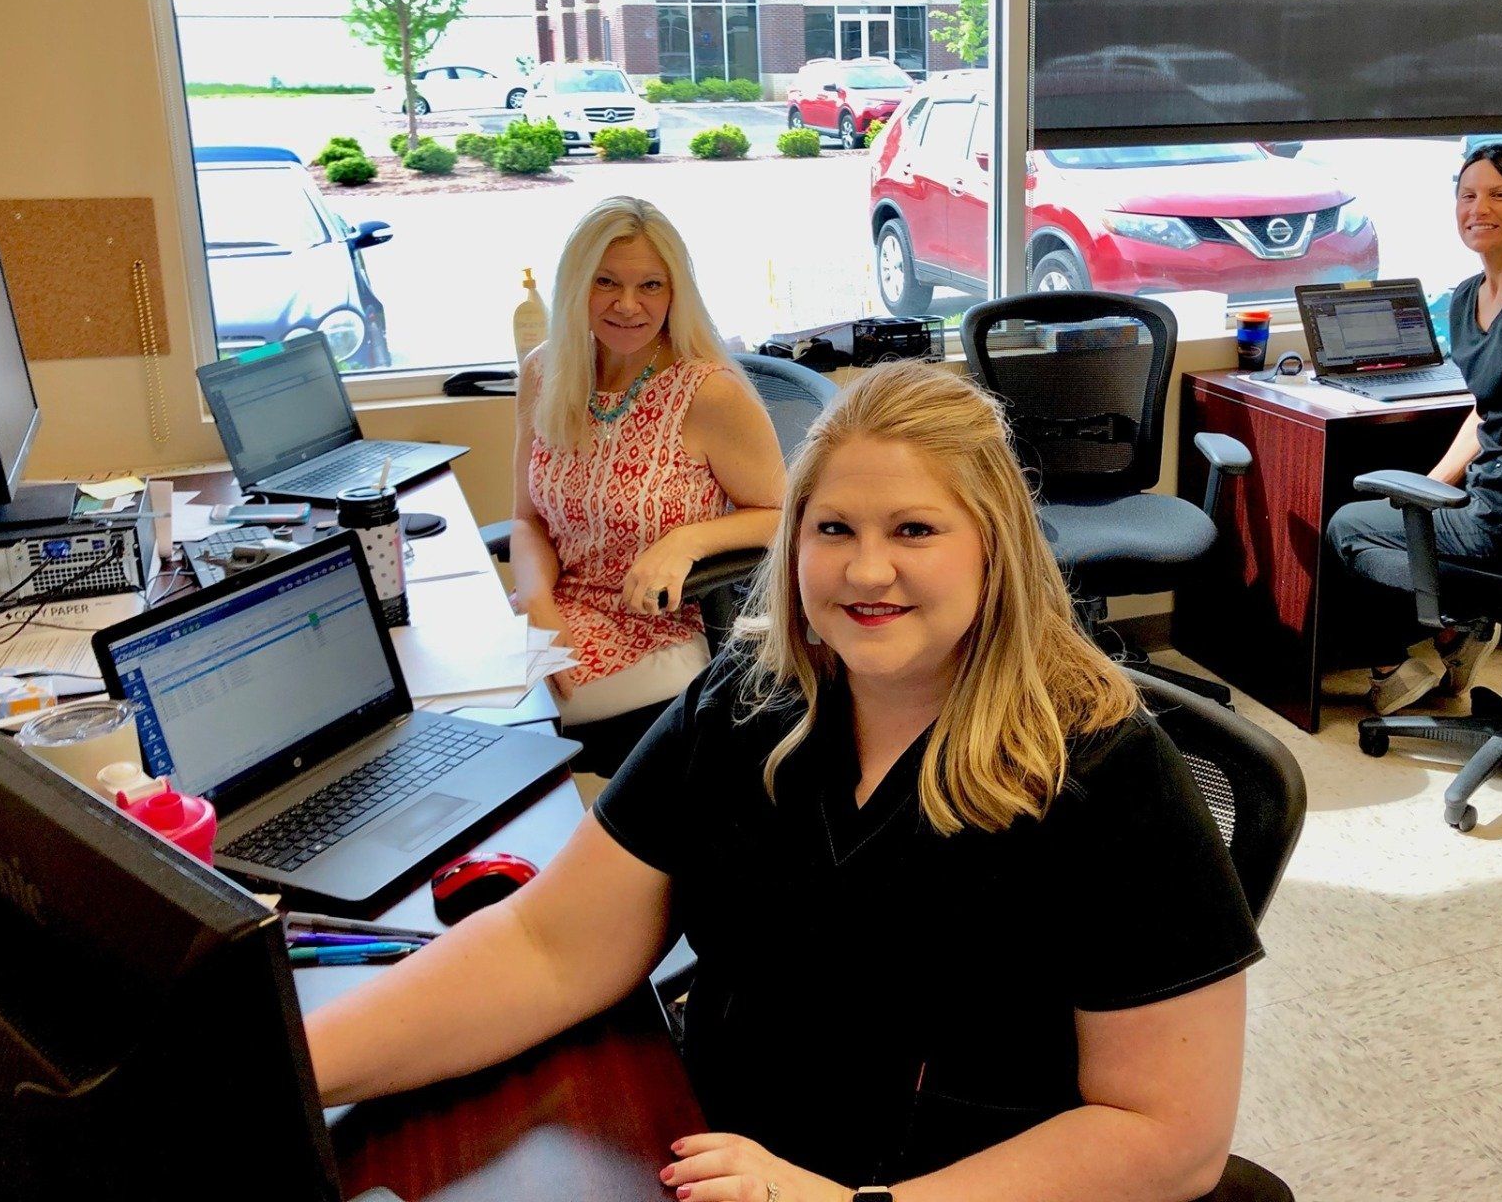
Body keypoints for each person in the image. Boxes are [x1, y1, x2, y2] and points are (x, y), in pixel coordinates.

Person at [310, 363, 1261, 1202]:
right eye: (833, 527)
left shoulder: (1105, 767)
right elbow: (550, 946)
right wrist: (286, 1069)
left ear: (993, 547)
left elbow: (1167, 1140)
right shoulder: (751, 701)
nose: (866, 568)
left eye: (915, 529)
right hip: (725, 1152)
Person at [1327, 142, 1502, 714]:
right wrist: (1429, 485)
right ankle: (1454, 635)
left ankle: (1404, 660)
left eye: (1497, 195)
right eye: (1467, 196)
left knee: (1348, 524)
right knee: (1395, 506)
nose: (1477, 208)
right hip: (1488, 495)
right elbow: (1488, 411)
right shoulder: (1466, 299)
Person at [511, 195, 784, 732]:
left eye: (650, 285)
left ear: (675, 292)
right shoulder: (545, 372)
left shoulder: (708, 392)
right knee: (436, 701)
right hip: (555, 608)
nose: (628, 305)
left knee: (507, 730)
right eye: (606, 282)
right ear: (576, 285)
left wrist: (684, 542)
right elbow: (525, 519)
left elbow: (788, 515)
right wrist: (539, 604)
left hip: (661, 628)